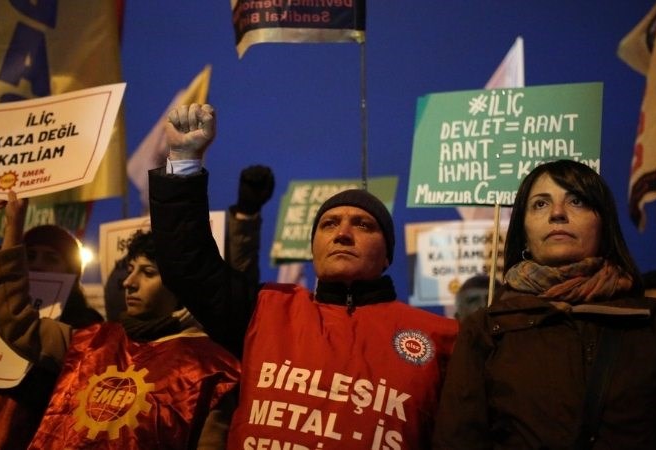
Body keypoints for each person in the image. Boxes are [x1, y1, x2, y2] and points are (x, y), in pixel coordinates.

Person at [148, 103, 460, 449]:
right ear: (314, 249)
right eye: (329, 224)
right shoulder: (264, 309)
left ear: (387, 255)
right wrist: (183, 161)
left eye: (363, 224)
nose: (342, 233)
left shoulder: (443, 339)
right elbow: (187, 264)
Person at [432, 159, 656, 449]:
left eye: (576, 201)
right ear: (523, 231)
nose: (557, 214)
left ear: (603, 222)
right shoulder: (486, 330)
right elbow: (458, 440)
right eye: (540, 204)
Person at [0, 191, 251, 449]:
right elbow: (16, 322)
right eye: (130, 270)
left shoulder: (210, 369)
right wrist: (13, 226)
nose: (129, 282)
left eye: (147, 272)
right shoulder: (91, 341)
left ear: (180, 285)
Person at [0, 219, 103, 449]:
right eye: (31, 255)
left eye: (51, 258)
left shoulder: (84, 324)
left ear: (72, 271)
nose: (37, 264)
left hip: (17, 433)